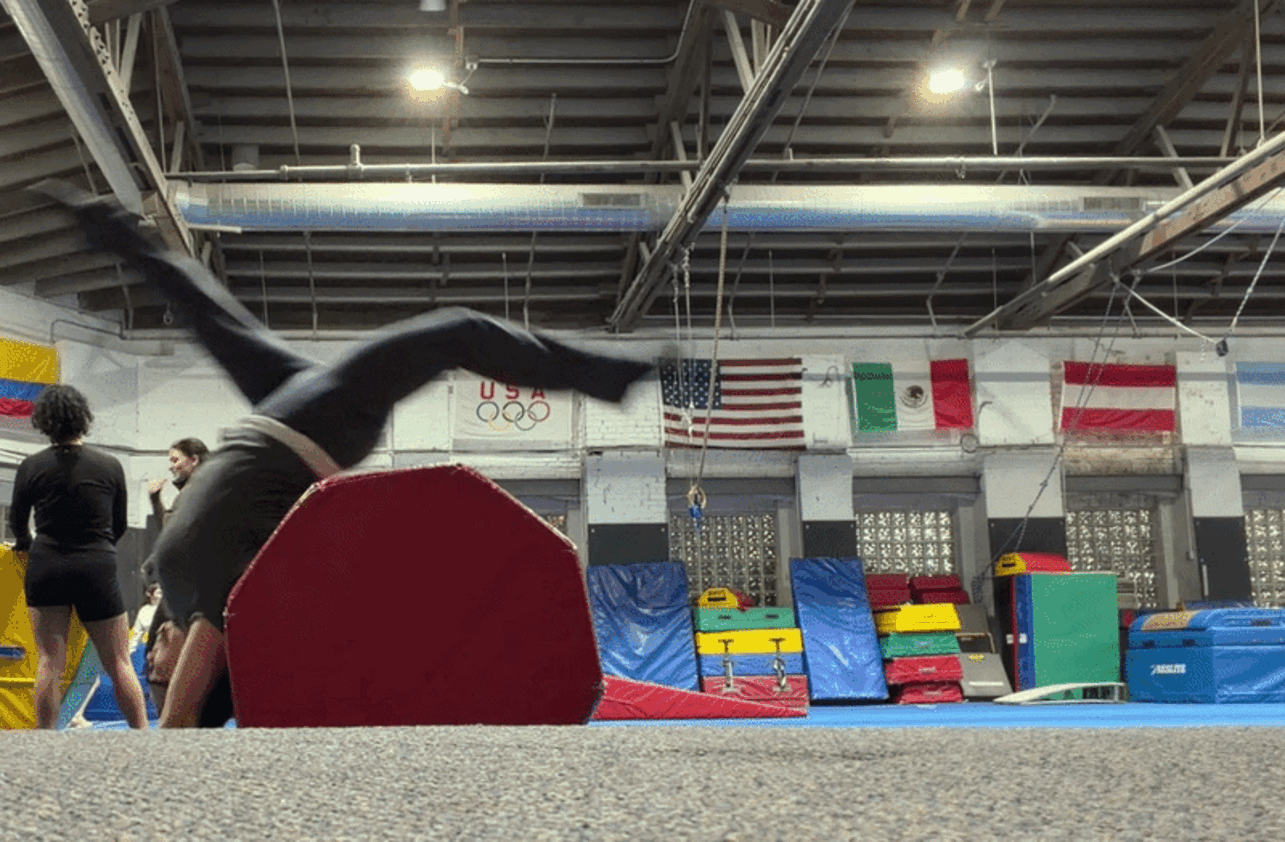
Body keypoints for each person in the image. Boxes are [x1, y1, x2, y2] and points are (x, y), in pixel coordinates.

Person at [40, 180, 656, 728]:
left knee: (202, 310)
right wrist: (176, 726)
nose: (153, 660)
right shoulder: (215, 610)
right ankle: (607, 376)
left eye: (147, 667)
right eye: (158, 671)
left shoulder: (175, 585)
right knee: (454, 332)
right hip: (319, 425)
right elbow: (188, 701)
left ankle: (113, 229)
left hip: (273, 411)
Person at [6, 384, 149, 729]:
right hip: (95, 567)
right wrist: (96, 548)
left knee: (49, 663)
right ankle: (144, 736)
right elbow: (117, 524)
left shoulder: (31, 466)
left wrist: (26, 543)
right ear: (83, 419)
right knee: (118, 662)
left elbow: (16, 523)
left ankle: (45, 742)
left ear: (44, 422)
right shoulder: (109, 466)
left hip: (47, 566)